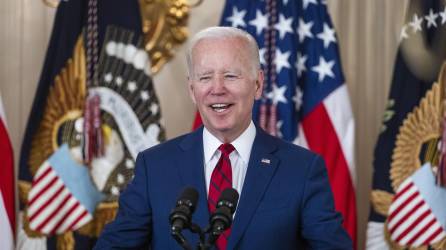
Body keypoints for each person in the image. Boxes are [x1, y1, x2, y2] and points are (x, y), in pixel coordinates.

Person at [95, 26, 352, 249]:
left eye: (231, 75)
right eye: (205, 77)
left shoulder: (302, 169)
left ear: (258, 84)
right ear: (192, 90)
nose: (217, 89)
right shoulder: (154, 167)